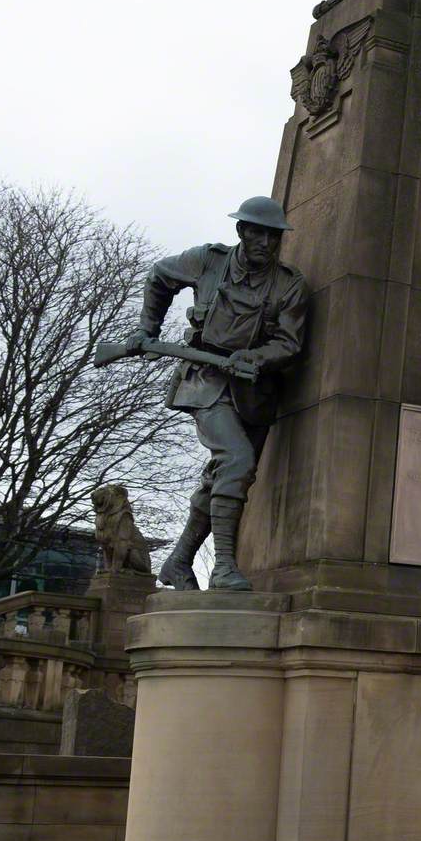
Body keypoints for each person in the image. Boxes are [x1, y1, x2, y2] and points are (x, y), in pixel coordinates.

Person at [125, 197, 308, 591]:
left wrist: (257, 357)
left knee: (225, 477)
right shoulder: (208, 261)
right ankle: (224, 566)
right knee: (237, 460)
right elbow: (158, 276)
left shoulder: (289, 285)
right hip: (205, 377)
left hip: (254, 390)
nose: (263, 241)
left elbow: (289, 343)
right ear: (241, 231)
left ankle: (178, 561)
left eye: (271, 235)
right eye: (255, 232)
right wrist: (147, 329)